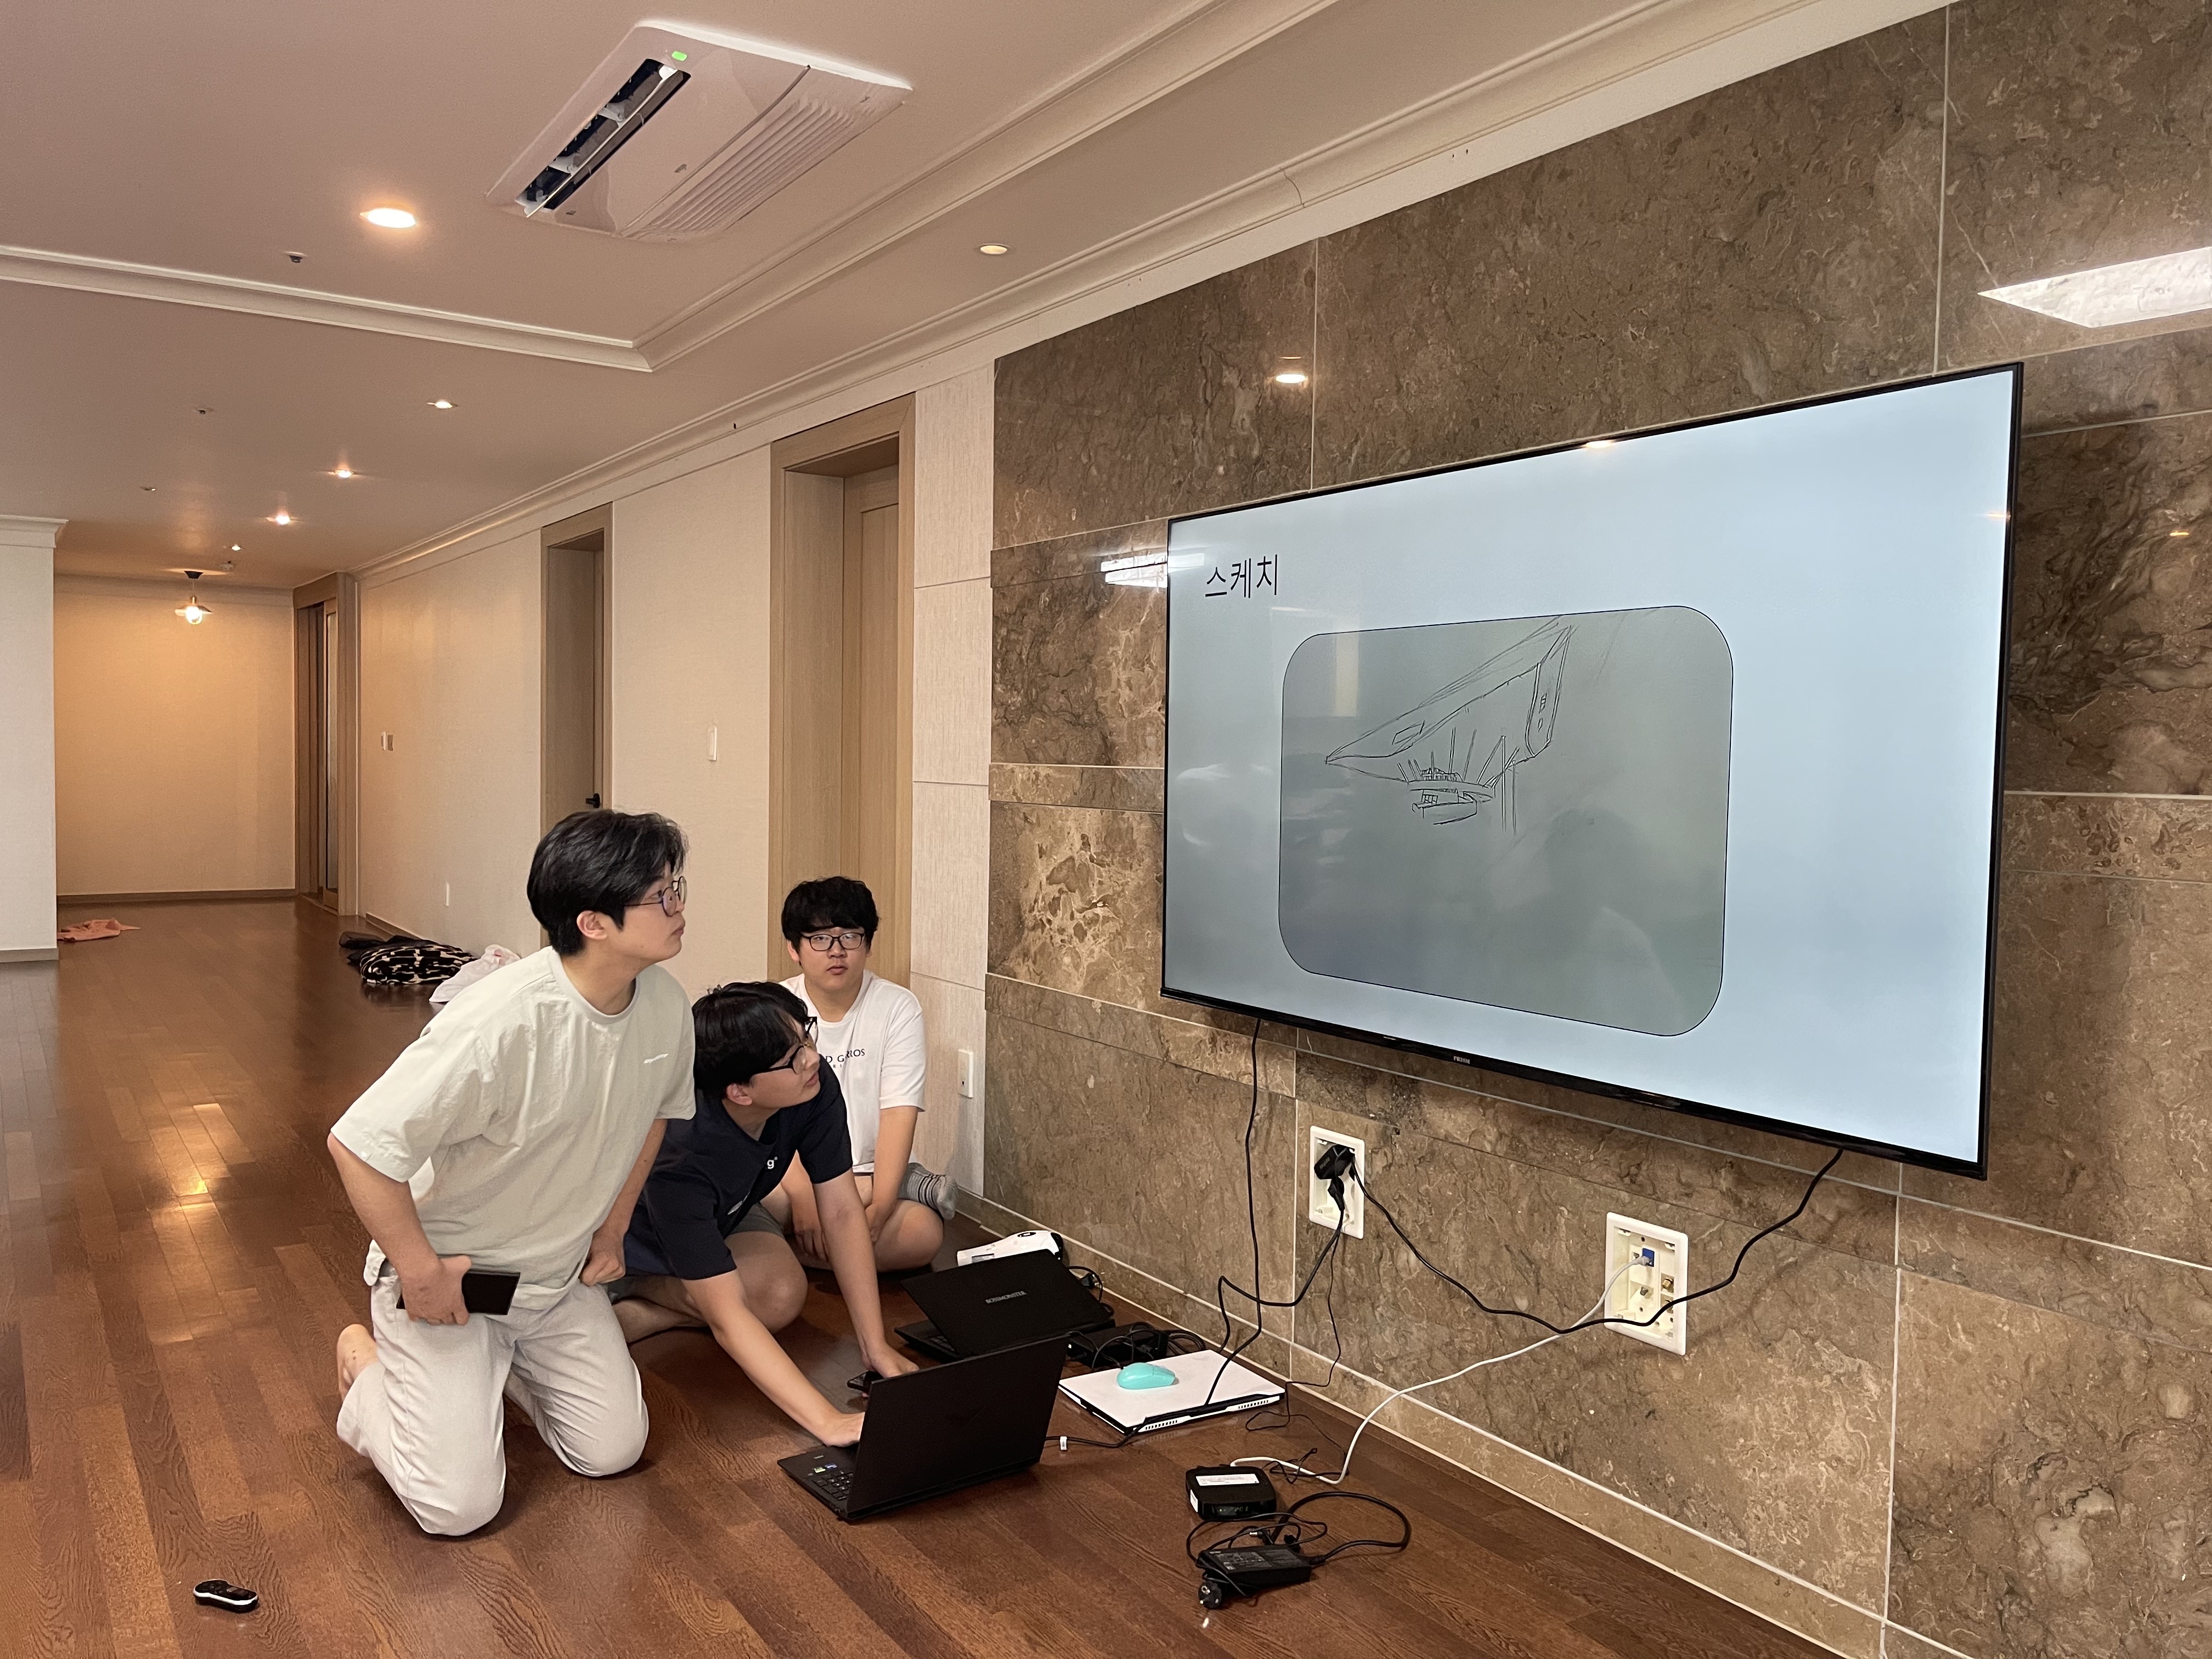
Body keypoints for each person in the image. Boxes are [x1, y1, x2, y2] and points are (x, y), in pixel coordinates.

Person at [324, 809, 695, 1537]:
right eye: (661, 895)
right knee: (457, 1509)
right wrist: (421, 1272)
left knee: (613, 1450)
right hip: (458, 1281)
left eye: (676, 886)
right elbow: (360, 1146)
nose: (679, 906)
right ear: (594, 923)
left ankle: (497, 1369)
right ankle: (367, 1370)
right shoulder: (497, 1023)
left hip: (557, 1280)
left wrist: (614, 1227)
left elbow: (657, 1112)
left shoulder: (665, 1006)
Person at [612, 982, 917, 1439]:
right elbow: (730, 1320)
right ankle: (639, 1288)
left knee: (780, 1294)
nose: (811, 1059)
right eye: (792, 1058)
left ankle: (652, 1313)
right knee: (733, 1307)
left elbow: (840, 1210)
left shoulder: (809, 1085)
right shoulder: (682, 1152)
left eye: (806, 1037)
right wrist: (829, 1421)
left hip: (727, 1213)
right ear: (740, 1091)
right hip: (634, 1244)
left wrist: (875, 1345)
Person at [772, 877, 950, 1271]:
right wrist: (805, 1198)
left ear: (868, 944)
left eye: (850, 937)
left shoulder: (898, 1007)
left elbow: (899, 1112)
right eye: (820, 939)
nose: (837, 951)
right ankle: (826, 1253)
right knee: (764, 1205)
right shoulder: (775, 1010)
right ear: (794, 948)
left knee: (923, 1234)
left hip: (870, 1176)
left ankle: (785, 1259)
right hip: (792, 1175)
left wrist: (880, 1209)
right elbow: (770, 1119)